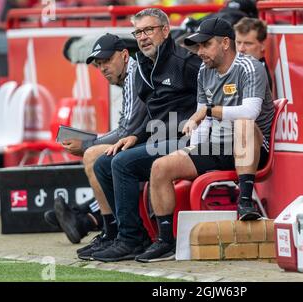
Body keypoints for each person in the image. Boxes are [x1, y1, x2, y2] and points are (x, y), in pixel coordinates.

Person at [135, 17, 274, 263]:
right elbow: (203, 119)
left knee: (243, 124)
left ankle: (245, 203)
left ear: (224, 43)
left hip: (252, 146)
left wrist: (209, 111)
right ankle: (166, 241)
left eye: (205, 45)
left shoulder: (250, 67)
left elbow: (249, 113)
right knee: (160, 167)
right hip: (217, 146)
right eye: (197, 46)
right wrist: (193, 147)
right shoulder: (204, 70)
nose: (199, 52)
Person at [90, 8, 201, 262]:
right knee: (104, 163)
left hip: (188, 142)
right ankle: (131, 235)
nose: (143, 37)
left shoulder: (186, 63)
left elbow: (210, 102)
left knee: (122, 163)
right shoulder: (144, 66)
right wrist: (136, 136)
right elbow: (154, 116)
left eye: (149, 30)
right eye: (138, 32)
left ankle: (131, 240)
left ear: (165, 30)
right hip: (157, 139)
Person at [51, 33, 147, 261]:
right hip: (151, 137)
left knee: (94, 155)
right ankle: (109, 230)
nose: (103, 68)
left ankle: (116, 232)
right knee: (97, 154)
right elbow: (127, 128)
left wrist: (87, 144)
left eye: (107, 61)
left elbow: (126, 131)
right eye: (98, 64)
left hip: (160, 139)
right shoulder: (129, 77)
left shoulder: (135, 74)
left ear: (124, 55)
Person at [234, 17, 272, 91]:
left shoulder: (258, 75)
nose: (241, 49)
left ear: (263, 45)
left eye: (248, 44)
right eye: (238, 42)